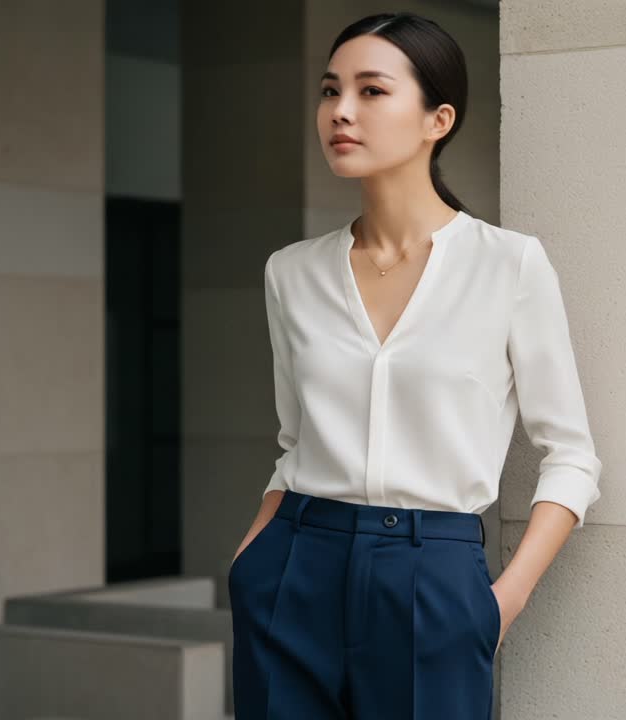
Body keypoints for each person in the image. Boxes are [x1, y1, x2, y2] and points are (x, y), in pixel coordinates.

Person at [227, 11, 603, 720]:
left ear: (439, 118)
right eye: (330, 89)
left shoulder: (508, 265)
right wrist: (252, 560)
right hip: (293, 567)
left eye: (372, 91)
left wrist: (500, 603)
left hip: (433, 578)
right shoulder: (291, 273)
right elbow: (293, 441)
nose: (340, 111)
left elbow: (572, 457)